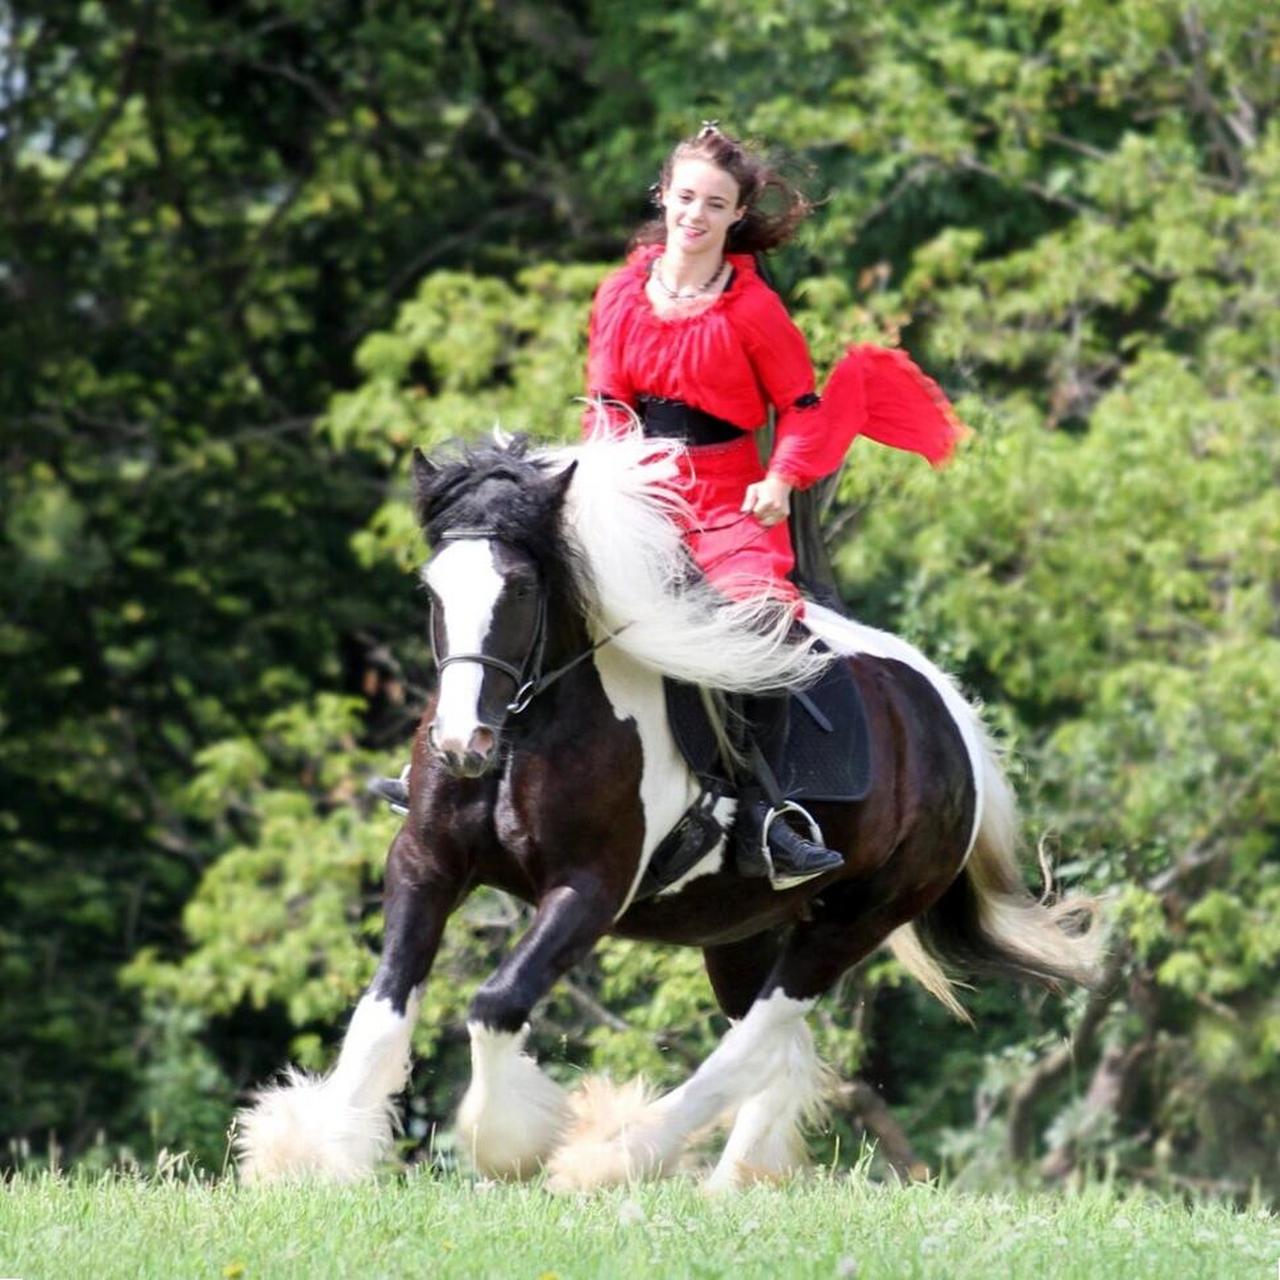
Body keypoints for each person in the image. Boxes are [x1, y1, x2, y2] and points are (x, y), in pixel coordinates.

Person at [580, 122, 964, 883]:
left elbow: (803, 404)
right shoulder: (621, 294)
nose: (694, 214)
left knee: (757, 628)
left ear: (735, 215)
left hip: (728, 504)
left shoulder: (753, 313)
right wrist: (599, 476)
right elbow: (604, 400)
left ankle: (762, 811)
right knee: (517, 571)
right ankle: (466, 768)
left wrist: (782, 478)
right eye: (684, 197)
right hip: (634, 489)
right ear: (664, 198)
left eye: (713, 204)